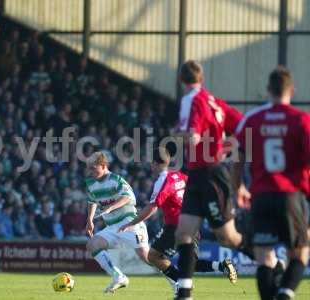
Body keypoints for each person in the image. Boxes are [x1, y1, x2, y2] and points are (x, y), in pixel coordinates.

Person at [173, 60, 252, 300]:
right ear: (202, 78)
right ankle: (184, 293)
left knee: (228, 237)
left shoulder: (192, 100)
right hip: (197, 173)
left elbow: (193, 138)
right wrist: (227, 147)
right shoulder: (214, 101)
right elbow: (244, 127)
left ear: (181, 80)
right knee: (183, 233)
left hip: (210, 174)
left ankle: (271, 261)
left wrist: (175, 135)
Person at [233, 66, 310, 300]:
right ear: (292, 90)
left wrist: (239, 187)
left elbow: (237, 158)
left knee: (265, 257)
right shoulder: (301, 121)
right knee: (299, 254)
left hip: (261, 196)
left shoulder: (252, 120)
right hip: (290, 196)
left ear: (268, 90)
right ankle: (286, 293)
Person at [119, 147, 237, 296]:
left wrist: (131, 223)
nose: (150, 166)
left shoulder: (162, 181)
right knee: (189, 263)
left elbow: (152, 207)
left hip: (176, 226)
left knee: (153, 256)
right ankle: (221, 266)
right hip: (192, 222)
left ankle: (180, 285)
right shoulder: (180, 176)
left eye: (151, 163)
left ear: (155, 163)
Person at [85, 151, 149, 293]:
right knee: (92, 244)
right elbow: (92, 200)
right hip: (112, 226)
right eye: (88, 167)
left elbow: (128, 197)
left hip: (130, 223)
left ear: (103, 165)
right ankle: (118, 277)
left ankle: (176, 281)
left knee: (147, 257)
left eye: (93, 167)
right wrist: (89, 219)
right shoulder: (90, 183)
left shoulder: (116, 179)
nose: (90, 171)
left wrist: (110, 208)